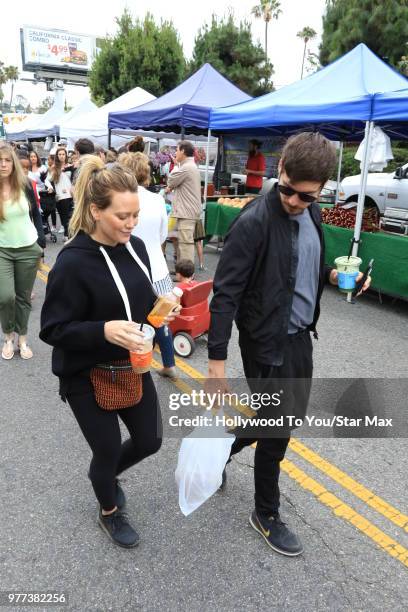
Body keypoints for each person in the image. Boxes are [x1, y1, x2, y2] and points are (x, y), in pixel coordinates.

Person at [206, 132, 371, 557]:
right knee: (278, 428)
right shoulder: (254, 221)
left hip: (300, 339)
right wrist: (217, 365)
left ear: (321, 190)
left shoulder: (312, 215)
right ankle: (266, 512)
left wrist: (335, 278)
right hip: (266, 344)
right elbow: (224, 296)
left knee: (279, 418)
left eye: (309, 197)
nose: (297, 202)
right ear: (280, 171)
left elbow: (304, 268)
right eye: (291, 192)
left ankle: (222, 448)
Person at [40, 155, 178, 548]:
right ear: (96, 211)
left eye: (135, 214)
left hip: (130, 365)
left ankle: (104, 473)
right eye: (123, 216)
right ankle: (109, 510)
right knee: (105, 451)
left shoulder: (134, 246)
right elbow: (52, 328)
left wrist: (165, 307)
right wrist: (104, 330)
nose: (132, 224)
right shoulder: (71, 262)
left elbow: (145, 307)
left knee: (150, 440)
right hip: (84, 372)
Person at [119, 152, 177, 379]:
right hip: (158, 267)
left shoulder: (121, 200)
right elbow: (163, 235)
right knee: (160, 317)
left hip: (129, 271)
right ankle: (169, 363)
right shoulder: (157, 199)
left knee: (133, 320)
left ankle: (135, 366)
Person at [0, 142, 45, 360]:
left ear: (14, 163)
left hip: (28, 248)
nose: (3, 164)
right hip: (3, 251)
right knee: (6, 296)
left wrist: (41, 243)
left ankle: (22, 338)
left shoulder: (25, 184)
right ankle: (8, 336)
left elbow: (36, 214)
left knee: (24, 297)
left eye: (7, 160)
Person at [166, 141, 201, 263]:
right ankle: (183, 272)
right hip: (187, 211)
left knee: (186, 244)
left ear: (183, 151)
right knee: (183, 242)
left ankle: (187, 275)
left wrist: (176, 165)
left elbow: (171, 182)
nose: (175, 153)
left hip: (187, 212)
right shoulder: (190, 166)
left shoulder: (186, 167)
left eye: (177, 150)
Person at [51, 147, 74, 242]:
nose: (61, 156)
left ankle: (67, 234)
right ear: (57, 156)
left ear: (66, 155)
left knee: (70, 215)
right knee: (63, 215)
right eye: (59, 154)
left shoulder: (71, 166)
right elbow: (49, 180)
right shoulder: (54, 168)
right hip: (60, 195)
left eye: (63, 154)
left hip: (71, 194)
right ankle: (66, 233)